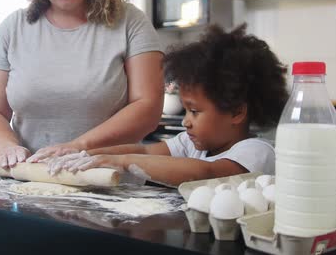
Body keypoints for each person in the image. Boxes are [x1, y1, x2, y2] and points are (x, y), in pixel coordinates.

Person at [0, 0, 164, 168]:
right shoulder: (12, 29)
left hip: (108, 179)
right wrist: (6, 145)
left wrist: (78, 148)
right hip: (30, 180)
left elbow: (147, 108)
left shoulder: (130, 22)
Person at [47, 24, 289, 187]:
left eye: (194, 111)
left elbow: (204, 173)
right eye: (186, 110)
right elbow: (143, 152)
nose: (186, 121)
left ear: (237, 111)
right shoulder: (191, 144)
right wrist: (87, 156)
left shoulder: (256, 152)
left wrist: (120, 162)